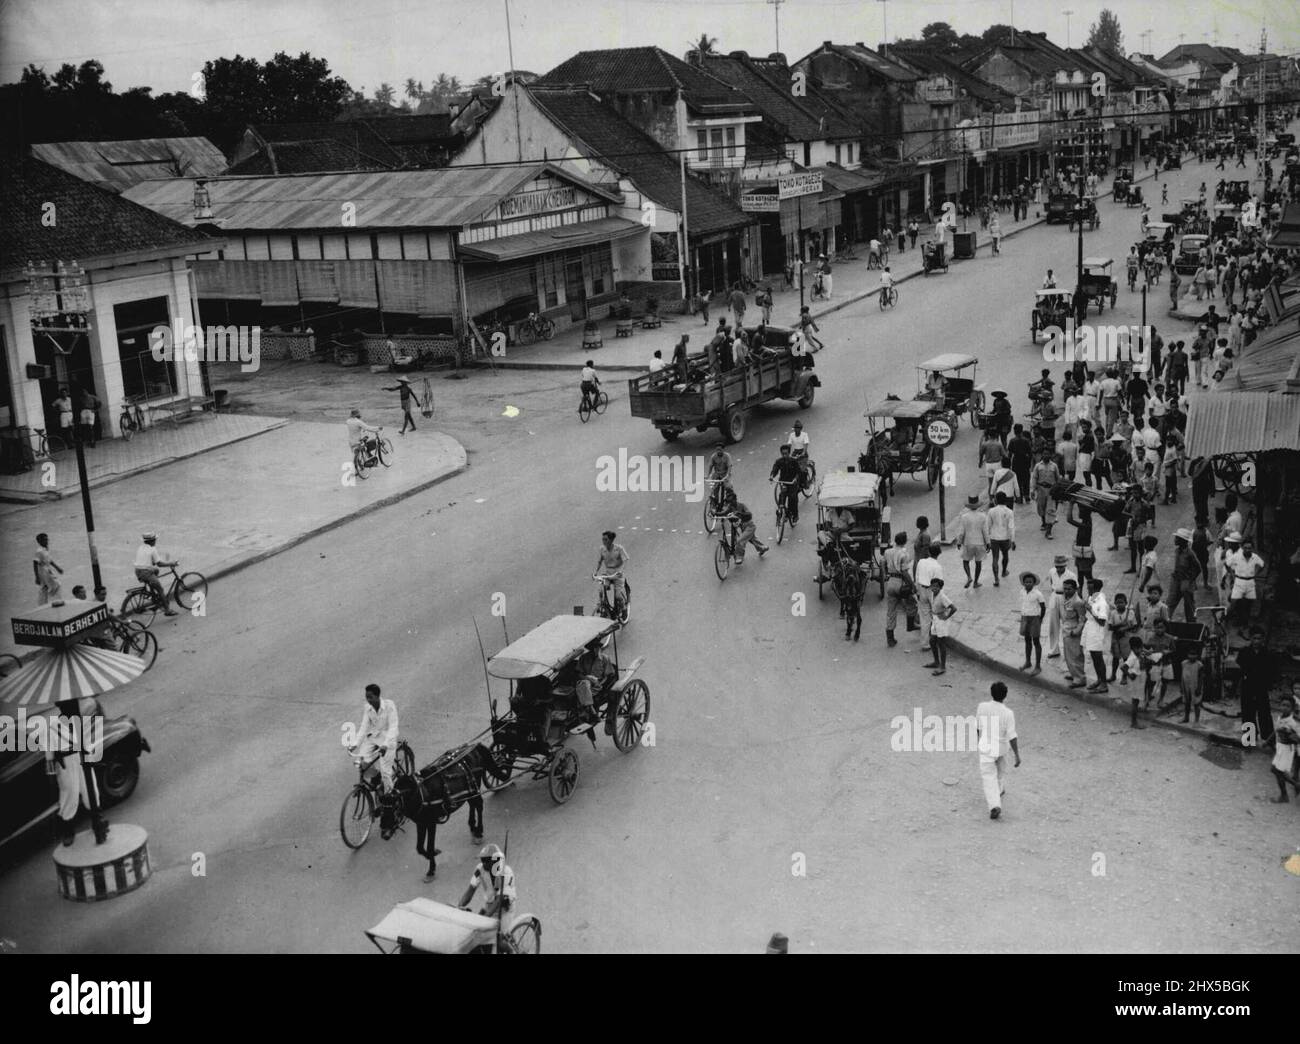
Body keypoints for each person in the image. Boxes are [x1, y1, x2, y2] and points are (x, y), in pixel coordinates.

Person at [40, 695, 108, 846]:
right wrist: (52, 775)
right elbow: (49, 753)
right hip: (66, 762)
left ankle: (98, 819)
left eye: (72, 706)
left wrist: (91, 756)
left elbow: (89, 742)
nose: (70, 709)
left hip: (82, 757)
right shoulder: (52, 726)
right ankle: (67, 828)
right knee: (70, 793)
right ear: (61, 708)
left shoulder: (80, 722)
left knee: (90, 789)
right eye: (66, 707)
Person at [975, 681, 1020, 821]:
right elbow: (1012, 736)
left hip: (987, 747)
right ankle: (999, 790)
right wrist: (1017, 755)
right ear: (1005, 696)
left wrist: (980, 740)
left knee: (988, 776)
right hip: (1001, 748)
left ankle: (995, 805)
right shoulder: (1008, 713)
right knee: (1000, 771)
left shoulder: (982, 707)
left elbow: (978, 727)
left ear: (991, 693)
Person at [348, 683, 399, 794]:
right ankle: (376, 776)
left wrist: (385, 744)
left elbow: (393, 727)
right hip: (374, 737)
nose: (368, 700)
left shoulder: (389, 706)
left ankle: (389, 798)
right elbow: (364, 727)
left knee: (386, 773)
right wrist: (355, 744)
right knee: (362, 762)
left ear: (377, 696)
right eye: (367, 697)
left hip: (388, 740)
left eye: (370, 697)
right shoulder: (368, 708)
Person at [1236, 627, 1277, 750]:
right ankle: (1249, 740)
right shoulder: (1244, 652)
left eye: (1259, 638)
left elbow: (1272, 671)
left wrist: (1270, 684)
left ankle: (1269, 740)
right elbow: (1241, 667)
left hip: (1261, 687)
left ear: (1263, 639)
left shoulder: (1268, 654)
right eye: (1254, 638)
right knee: (1248, 713)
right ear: (1251, 639)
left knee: (1264, 713)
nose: (1256, 641)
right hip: (1248, 686)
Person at [458, 843, 516, 919]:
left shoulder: (506, 872)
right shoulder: (479, 869)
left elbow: (499, 900)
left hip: (504, 910)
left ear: (496, 861)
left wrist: (484, 919)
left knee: (502, 930)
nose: (483, 863)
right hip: (488, 905)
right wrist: (459, 907)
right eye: (482, 860)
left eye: (487, 860)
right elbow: (470, 890)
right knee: (476, 928)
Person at [1225, 537, 1266, 634]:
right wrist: (1232, 574)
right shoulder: (1237, 556)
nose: (1248, 550)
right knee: (1234, 602)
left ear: (1252, 548)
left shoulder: (1255, 557)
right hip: (1239, 581)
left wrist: (1256, 573)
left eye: (1250, 548)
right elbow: (1227, 564)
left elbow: (1262, 564)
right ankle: (1227, 620)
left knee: (1248, 604)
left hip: (1250, 582)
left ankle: (1244, 623)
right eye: (1246, 547)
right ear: (1242, 548)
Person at [134, 532, 179, 616]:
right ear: (151, 541)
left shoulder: (141, 547)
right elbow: (160, 564)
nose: (155, 541)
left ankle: (153, 594)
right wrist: (171, 563)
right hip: (146, 572)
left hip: (138, 571)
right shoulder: (152, 549)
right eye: (154, 540)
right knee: (160, 590)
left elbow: (149, 561)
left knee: (156, 570)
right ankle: (167, 610)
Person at [573, 638, 617, 724]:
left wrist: (599, 682)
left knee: (583, 690)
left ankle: (588, 712)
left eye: (597, 647)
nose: (595, 650)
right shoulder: (583, 658)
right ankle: (591, 710)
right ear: (590, 649)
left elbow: (608, 676)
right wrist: (587, 678)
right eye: (593, 648)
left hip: (598, 685)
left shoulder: (605, 659)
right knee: (584, 684)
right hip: (584, 683)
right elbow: (579, 673)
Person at [720, 488, 768, 564]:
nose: (730, 504)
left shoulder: (741, 506)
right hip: (742, 527)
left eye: (731, 502)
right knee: (751, 539)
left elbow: (749, 515)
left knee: (740, 540)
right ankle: (761, 548)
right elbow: (723, 513)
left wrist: (740, 514)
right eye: (729, 502)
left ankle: (739, 556)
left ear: (735, 500)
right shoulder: (730, 507)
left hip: (749, 526)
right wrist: (715, 513)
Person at [1269, 689, 1300, 803]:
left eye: (1287, 706)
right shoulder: (1280, 718)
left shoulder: (1292, 723)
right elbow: (1276, 731)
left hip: (1287, 750)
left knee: (1276, 770)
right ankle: (1291, 789)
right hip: (1280, 748)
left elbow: (1297, 738)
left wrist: (1290, 736)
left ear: (1292, 708)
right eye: (1283, 705)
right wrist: (1267, 742)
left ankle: (1287, 793)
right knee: (1276, 771)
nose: (1284, 708)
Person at [1045, 554, 1077, 659]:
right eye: (1057, 566)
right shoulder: (1051, 571)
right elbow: (1051, 583)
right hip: (1055, 596)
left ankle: (1070, 650)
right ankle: (1054, 650)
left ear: (1065, 565)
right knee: (1053, 624)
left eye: (1061, 566)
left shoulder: (1071, 575)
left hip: (1066, 597)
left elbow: (1076, 589)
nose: (1059, 568)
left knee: (1067, 623)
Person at [955, 493, 990, 588]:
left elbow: (961, 532)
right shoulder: (983, 516)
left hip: (968, 542)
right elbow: (985, 531)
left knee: (965, 561)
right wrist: (988, 543)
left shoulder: (964, 516)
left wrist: (959, 542)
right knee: (978, 562)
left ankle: (969, 576)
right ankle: (976, 582)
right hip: (980, 543)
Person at [1166, 528, 1201, 623]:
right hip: (1176, 579)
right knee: (1171, 601)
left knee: (1189, 604)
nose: (1175, 540)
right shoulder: (1177, 551)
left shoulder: (1190, 554)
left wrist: (1190, 579)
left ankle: (1191, 623)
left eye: (1177, 538)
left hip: (1186, 581)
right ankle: (1167, 620)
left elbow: (1198, 568)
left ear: (1182, 541)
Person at [1082, 578, 1110, 693]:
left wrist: (1090, 610)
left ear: (1095, 588)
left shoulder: (1102, 603)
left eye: (1089, 588)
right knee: (1094, 656)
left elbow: (1102, 622)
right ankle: (1099, 679)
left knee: (1098, 658)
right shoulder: (1091, 597)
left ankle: (1104, 684)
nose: (1087, 590)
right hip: (1090, 628)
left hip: (1097, 631)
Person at [1060, 577, 1088, 689]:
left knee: (1076, 655)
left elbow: (1082, 619)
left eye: (1069, 589)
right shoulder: (1066, 598)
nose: (1066, 591)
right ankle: (1073, 674)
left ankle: (1080, 678)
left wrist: (1076, 631)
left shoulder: (1077, 602)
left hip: (1073, 631)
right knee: (1068, 655)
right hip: (1066, 629)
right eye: (1065, 589)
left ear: (1075, 589)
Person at [915, 544, 943, 654]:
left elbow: (917, 577)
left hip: (922, 589)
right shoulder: (938, 567)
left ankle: (925, 643)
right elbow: (940, 583)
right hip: (932, 591)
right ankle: (937, 640)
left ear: (929, 552)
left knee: (925, 618)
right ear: (939, 553)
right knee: (936, 615)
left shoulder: (921, 562)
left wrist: (917, 591)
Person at [595, 530, 629, 617]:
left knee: (618, 596)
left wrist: (620, 571)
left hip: (617, 574)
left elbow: (625, 560)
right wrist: (595, 572)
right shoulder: (602, 549)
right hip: (608, 573)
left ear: (611, 540)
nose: (603, 541)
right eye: (603, 539)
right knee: (601, 589)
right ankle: (602, 605)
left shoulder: (619, 548)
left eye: (606, 539)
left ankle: (624, 609)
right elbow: (600, 561)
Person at [927, 577, 956, 676]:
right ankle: (936, 661)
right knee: (932, 641)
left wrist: (946, 616)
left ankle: (942, 667)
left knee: (941, 643)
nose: (934, 588)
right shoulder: (932, 594)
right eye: (933, 586)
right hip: (935, 619)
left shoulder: (942, 596)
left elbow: (953, 608)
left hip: (941, 621)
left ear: (940, 587)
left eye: (936, 587)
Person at [1019, 570, 1047, 675]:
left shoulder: (1038, 594)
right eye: (1026, 582)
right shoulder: (1021, 591)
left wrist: (1040, 619)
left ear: (1034, 583)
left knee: (1036, 641)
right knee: (1027, 640)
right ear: (1023, 582)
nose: (1028, 584)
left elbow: (1043, 607)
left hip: (1035, 619)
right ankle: (1028, 662)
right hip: (1025, 618)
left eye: (1030, 582)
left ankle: (1038, 666)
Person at [769, 444, 803, 527]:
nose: (785, 455)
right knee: (782, 497)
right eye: (783, 454)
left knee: (793, 498)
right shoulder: (779, 461)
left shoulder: (794, 461)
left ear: (789, 453)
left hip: (792, 483)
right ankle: (783, 513)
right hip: (783, 482)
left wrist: (795, 479)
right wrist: (772, 476)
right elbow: (775, 470)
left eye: (786, 453)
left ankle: (795, 515)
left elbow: (799, 472)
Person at [987, 492, 1015, 587]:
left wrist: (987, 540)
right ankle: (1003, 571)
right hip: (1005, 537)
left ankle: (996, 579)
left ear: (996, 500)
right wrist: (1013, 540)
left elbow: (988, 526)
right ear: (1006, 500)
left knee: (995, 558)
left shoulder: (991, 511)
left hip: (994, 537)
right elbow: (1011, 527)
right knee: (1005, 555)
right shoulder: (1010, 512)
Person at [1032, 448, 1060, 539]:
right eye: (1044, 454)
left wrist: (1058, 490)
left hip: (1051, 491)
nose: (1046, 455)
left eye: (1048, 454)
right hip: (1041, 490)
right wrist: (1033, 490)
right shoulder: (1038, 466)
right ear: (1042, 455)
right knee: (1041, 507)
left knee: (1051, 510)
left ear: (1050, 455)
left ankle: (1049, 532)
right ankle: (1043, 522)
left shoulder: (1054, 466)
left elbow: (1058, 479)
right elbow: (1034, 478)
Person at [1065, 502, 1095, 584]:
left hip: (1084, 554)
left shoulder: (1086, 525)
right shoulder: (1087, 521)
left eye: (1081, 511)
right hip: (1082, 553)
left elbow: (1069, 519)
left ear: (1085, 513)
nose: (1079, 513)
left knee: (1087, 577)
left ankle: (1093, 592)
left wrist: (1071, 504)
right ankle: (1082, 593)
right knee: (1081, 576)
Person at [33, 532, 63, 606]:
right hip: (44, 572)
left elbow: (49, 560)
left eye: (47, 539)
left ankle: (42, 605)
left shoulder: (45, 549)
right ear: (39, 541)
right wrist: (36, 577)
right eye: (44, 540)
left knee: (44, 588)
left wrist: (57, 568)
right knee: (56, 585)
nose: (47, 541)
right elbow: (35, 563)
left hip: (46, 570)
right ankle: (56, 601)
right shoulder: (39, 551)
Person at [1179, 644, 1204, 724]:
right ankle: (1186, 717)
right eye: (1190, 654)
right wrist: (1181, 686)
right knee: (1186, 702)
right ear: (1187, 655)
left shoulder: (1199, 665)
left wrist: (1199, 688)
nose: (1192, 656)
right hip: (1186, 686)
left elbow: (1201, 678)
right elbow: (1182, 675)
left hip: (1195, 686)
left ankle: (1196, 721)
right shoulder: (1183, 663)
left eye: (1194, 654)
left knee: (1196, 704)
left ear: (1197, 655)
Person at [1008, 424, 1033, 504]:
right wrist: (1029, 463)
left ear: (1014, 431)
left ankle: (1019, 497)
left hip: (1016, 462)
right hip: (1024, 462)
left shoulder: (1012, 441)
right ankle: (1027, 496)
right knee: (1026, 479)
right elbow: (1030, 453)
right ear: (1022, 430)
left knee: (1017, 480)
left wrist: (1008, 465)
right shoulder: (1026, 441)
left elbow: (1010, 454)